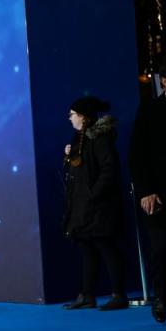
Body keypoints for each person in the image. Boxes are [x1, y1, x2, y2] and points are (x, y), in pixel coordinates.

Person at [129, 51, 166, 326]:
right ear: (165, 81)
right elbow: (137, 156)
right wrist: (145, 191)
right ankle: (161, 297)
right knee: (160, 250)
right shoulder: (149, 111)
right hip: (159, 196)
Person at [62, 97, 128, 311]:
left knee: (106, 247)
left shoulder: (99, 139)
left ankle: (119, 294)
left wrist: (94, 194)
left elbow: (109, 169)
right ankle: (86, 294)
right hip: (82, 206)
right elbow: (76, 171)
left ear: (82, 116)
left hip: (98, 206)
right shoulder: (79, 139)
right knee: (87, 249)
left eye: (72, 113)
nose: (69, 118)